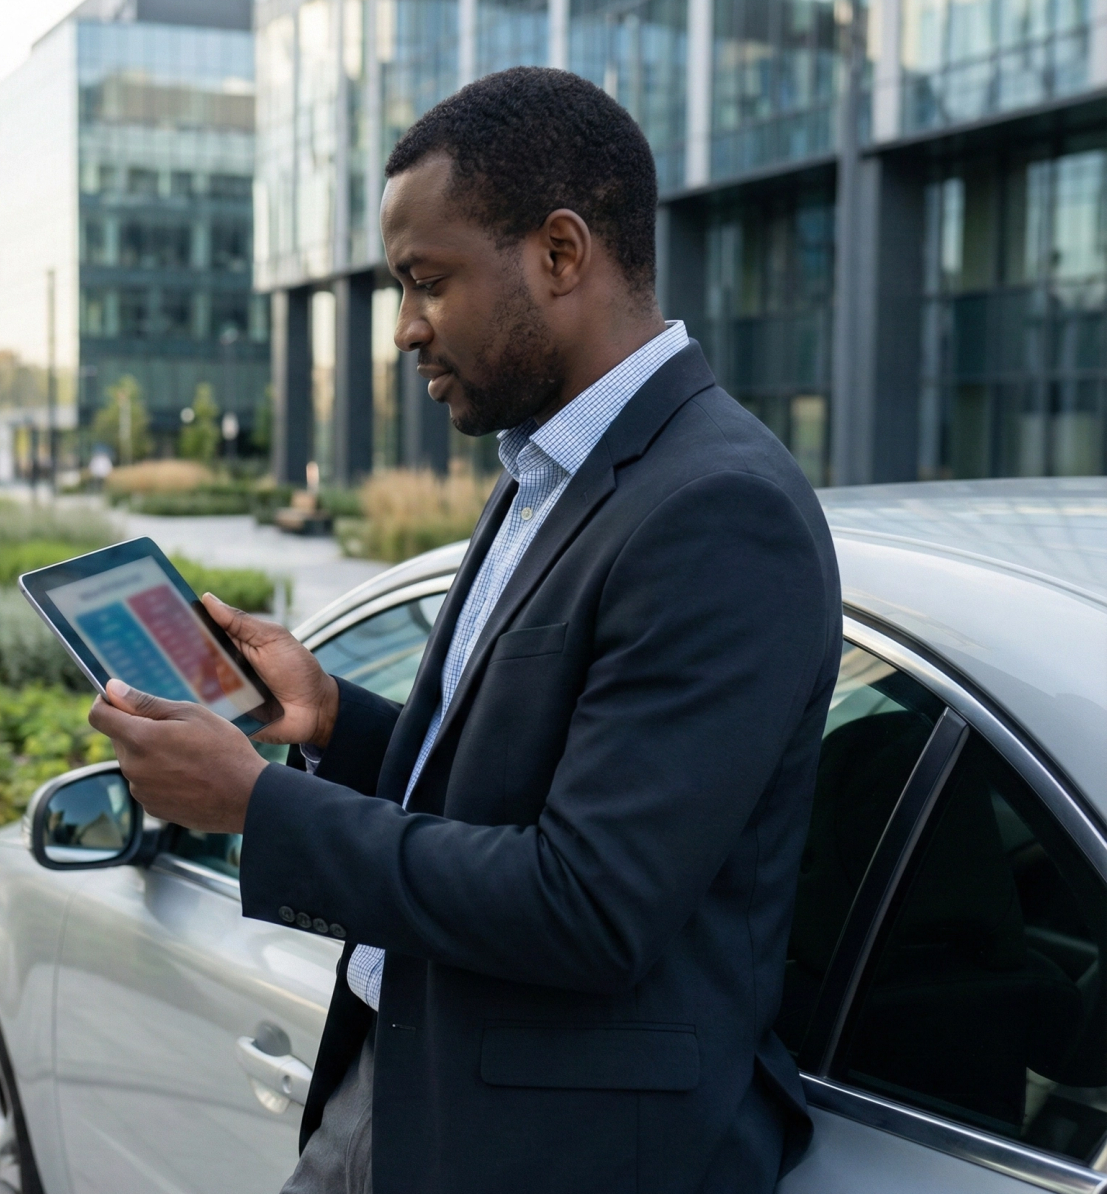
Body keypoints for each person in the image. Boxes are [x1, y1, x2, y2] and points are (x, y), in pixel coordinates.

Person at [88, 66, 842, 1194]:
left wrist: (256, 803)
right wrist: (334, 720)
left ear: (560, 253)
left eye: (426, 281)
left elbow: (588, 903)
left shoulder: (719, 512)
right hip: (402, 1088)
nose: (404, 330)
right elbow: (505, 788)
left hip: (552, 1154)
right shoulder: (549, 466)